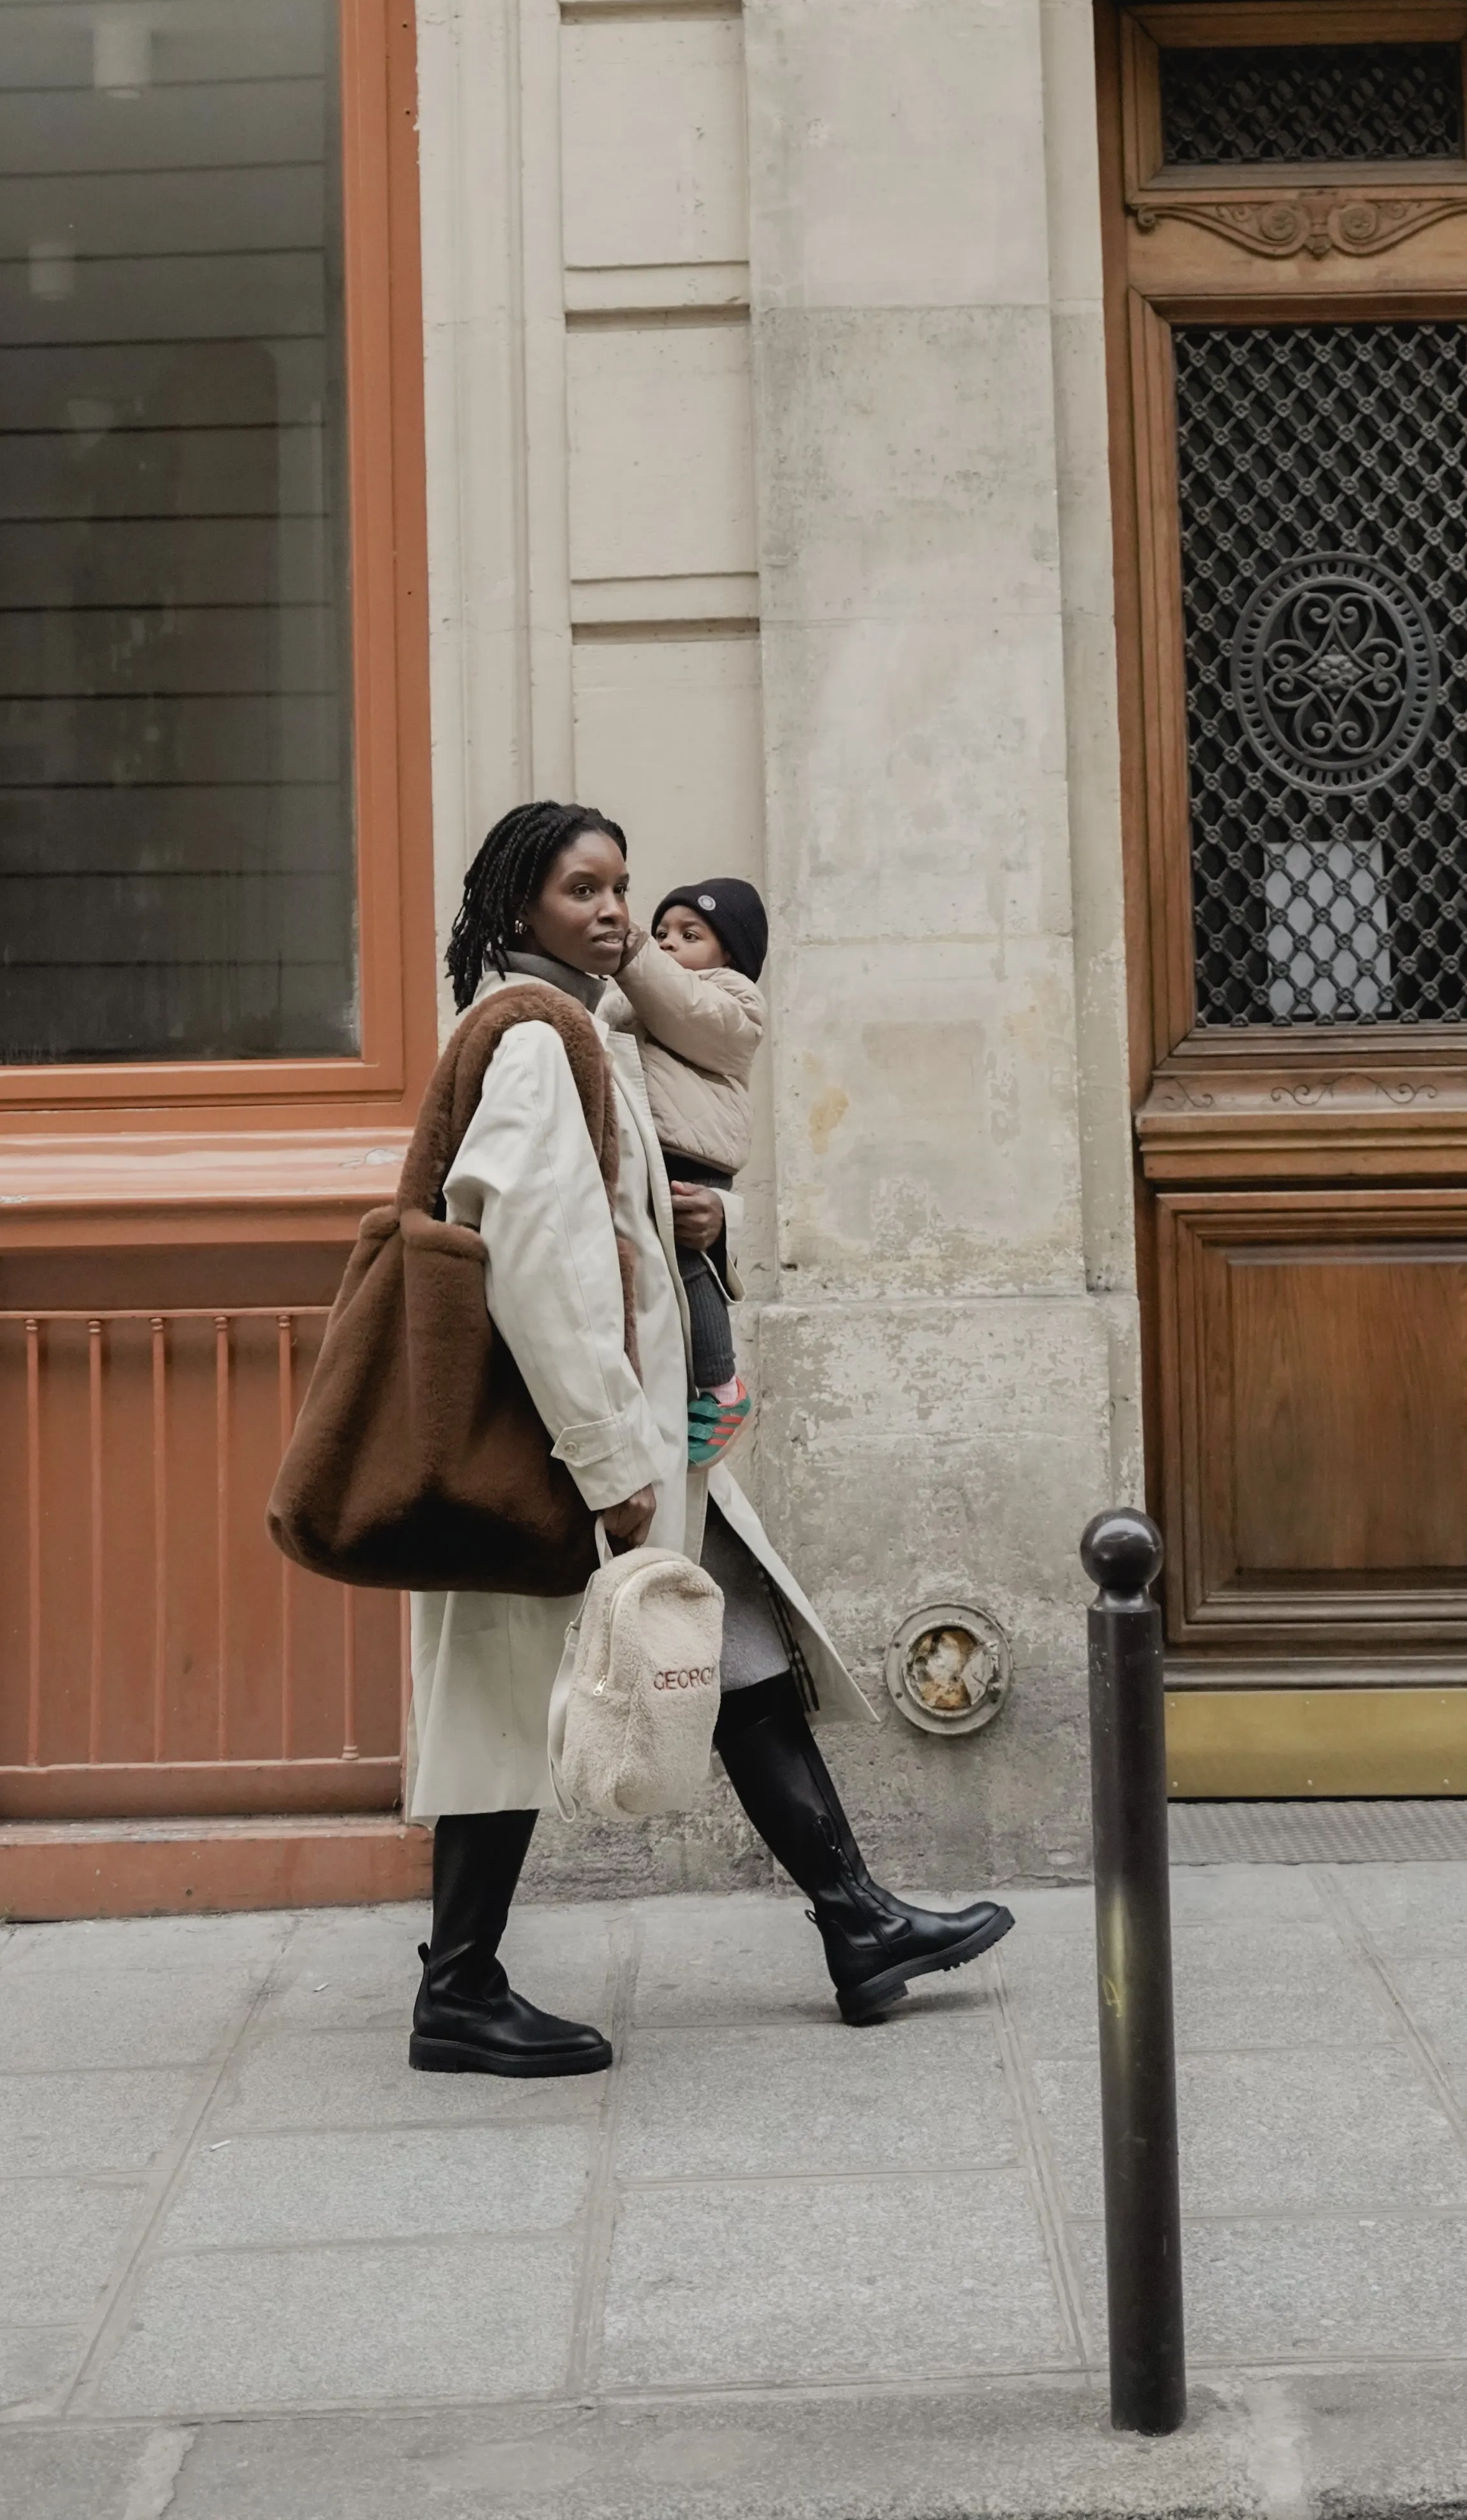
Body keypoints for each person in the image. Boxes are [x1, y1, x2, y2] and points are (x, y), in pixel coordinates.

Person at [408, 800, 1014, 2077]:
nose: (614, 908)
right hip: (580, 1442)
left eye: (623, 884)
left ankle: (856, 1920)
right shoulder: (533, 1039)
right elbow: (532, 1261)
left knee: (734, 1639)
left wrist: (699, 1231)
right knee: (507, 1699)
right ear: (521, 903)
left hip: (640, 1430)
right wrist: (608, 1458)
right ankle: (456, 1986)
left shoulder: (589, 1022)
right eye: (582, 888)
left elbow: (622, 1224)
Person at [616, 876, 767, 1468]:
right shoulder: (637, 992)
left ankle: (723, 1386)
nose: (669, 943)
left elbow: (686, 1009)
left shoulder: (735, 999)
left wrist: (637, 954)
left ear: (729, 950)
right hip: (654, 1151)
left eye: (689, 933)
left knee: (689, 1263)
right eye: (661, 933)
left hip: (693, 1154)